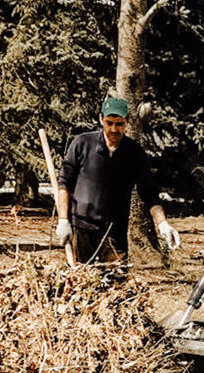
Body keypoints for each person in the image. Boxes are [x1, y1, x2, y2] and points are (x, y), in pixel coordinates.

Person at [55, 97, 180, 266]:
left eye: (119, 124)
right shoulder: (82, 144)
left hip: (115, 234)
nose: (114, 129)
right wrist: (63, 220)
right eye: (109, 123)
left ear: (127, 122)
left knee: (116, 280)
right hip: (82, 231)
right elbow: (64, 185)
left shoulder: (134, 153)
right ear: (101, 119)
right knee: (82, 279)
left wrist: (162, 224)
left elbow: (149, 194)